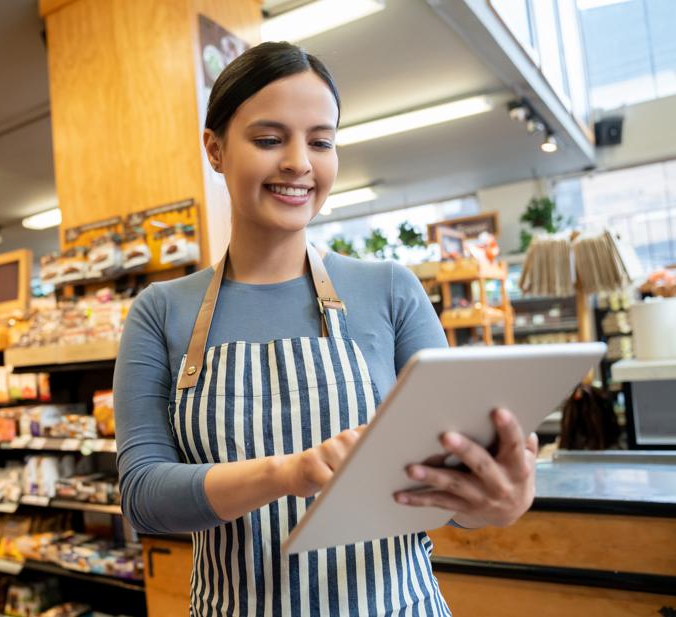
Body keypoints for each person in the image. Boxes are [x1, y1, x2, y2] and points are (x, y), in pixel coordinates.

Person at [114, 41, 537, 617]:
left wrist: (498, 501)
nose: (299, 163)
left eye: (321, 141)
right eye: (269, 139)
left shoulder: (390, 290)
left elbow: (447, 489)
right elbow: (144, 497)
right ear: (215, 148)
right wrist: (284, 473)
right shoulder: (161, 311)